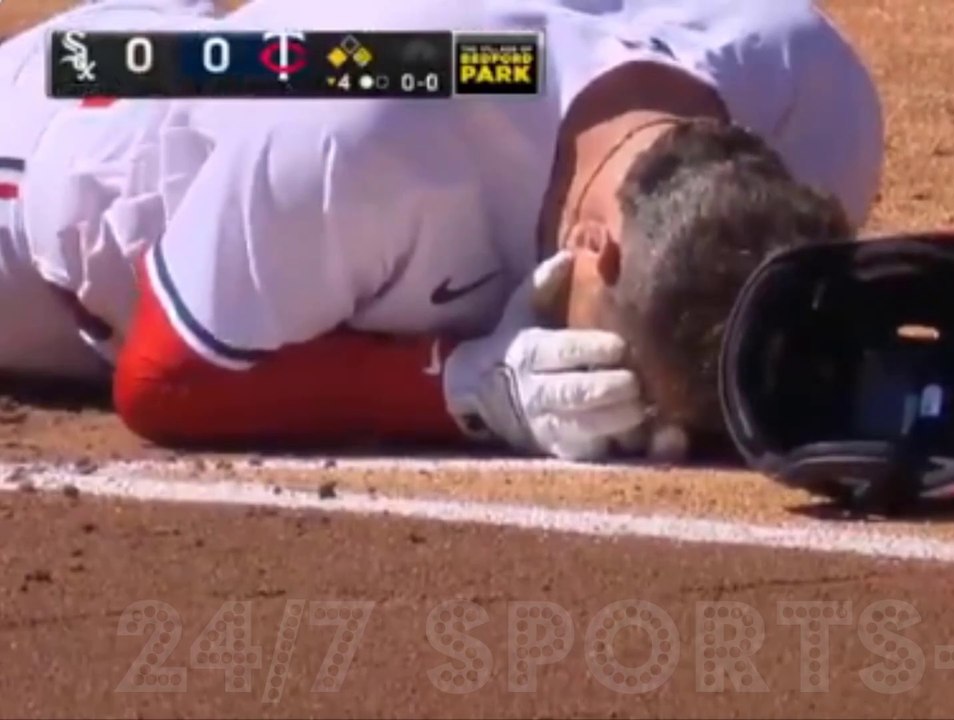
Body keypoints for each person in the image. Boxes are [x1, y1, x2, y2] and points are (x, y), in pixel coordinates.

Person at [0, 0, 884, 461]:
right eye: (621, 359)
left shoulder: (810, 102)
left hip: (281, 73)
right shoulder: (379, 133)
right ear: (594, 245)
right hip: (53, 171)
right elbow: (163, 378)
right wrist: (463, 388)